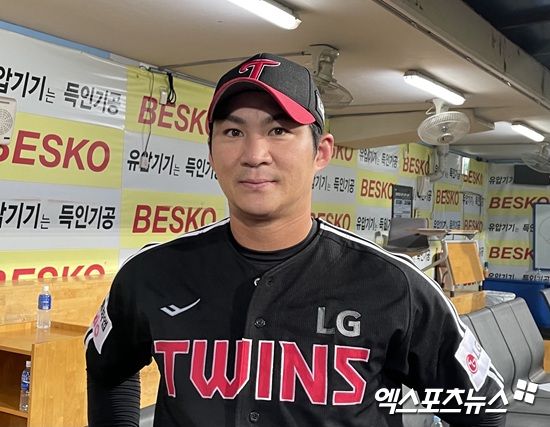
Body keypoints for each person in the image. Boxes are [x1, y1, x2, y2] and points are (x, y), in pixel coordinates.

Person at [85, 53, 506, 427]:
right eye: (232, 132)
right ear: (211, 151)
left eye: (279, 130)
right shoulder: (151, 273)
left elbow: (482, 407)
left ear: (321, 152)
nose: (254, 154)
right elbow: (108, 370)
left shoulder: (395, 285)